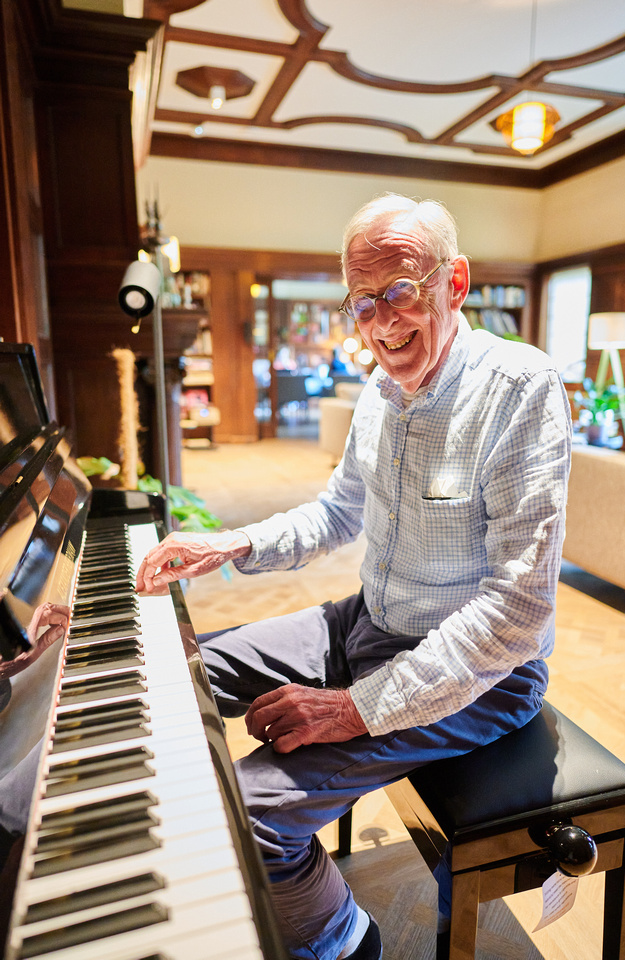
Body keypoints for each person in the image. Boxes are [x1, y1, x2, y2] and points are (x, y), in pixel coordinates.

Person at [136, 194, 572, 960]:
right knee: (171, 668)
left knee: (246, 815)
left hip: (485, 673)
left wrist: (355, 708)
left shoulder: (520, 390)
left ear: (456, 281)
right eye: (362, 302)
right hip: (365, 618)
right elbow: (336, 514)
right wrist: (229, 543)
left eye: (400, 291)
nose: (379, 324)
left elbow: (517, 611)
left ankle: (343, 940)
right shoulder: (378, 391)